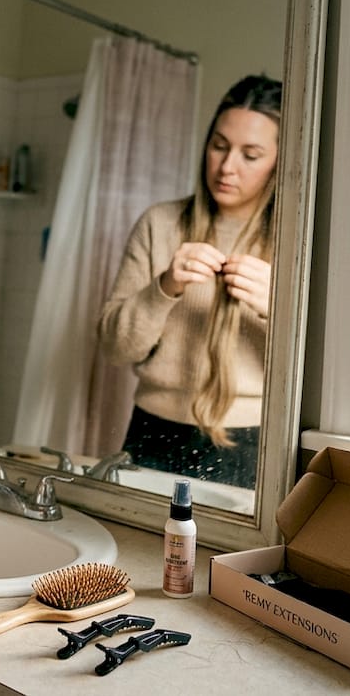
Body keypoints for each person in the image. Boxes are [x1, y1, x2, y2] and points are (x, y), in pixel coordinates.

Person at [98, 75, 281, 489]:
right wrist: (162, 289)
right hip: (152, 431)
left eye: (250, 155)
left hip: (251, 443)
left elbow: (327, 376)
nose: (227, 166)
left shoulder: (296, 244)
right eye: (219, 146)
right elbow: (113, 347)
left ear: (279, 163)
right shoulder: (159, 224)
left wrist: (278, 307)